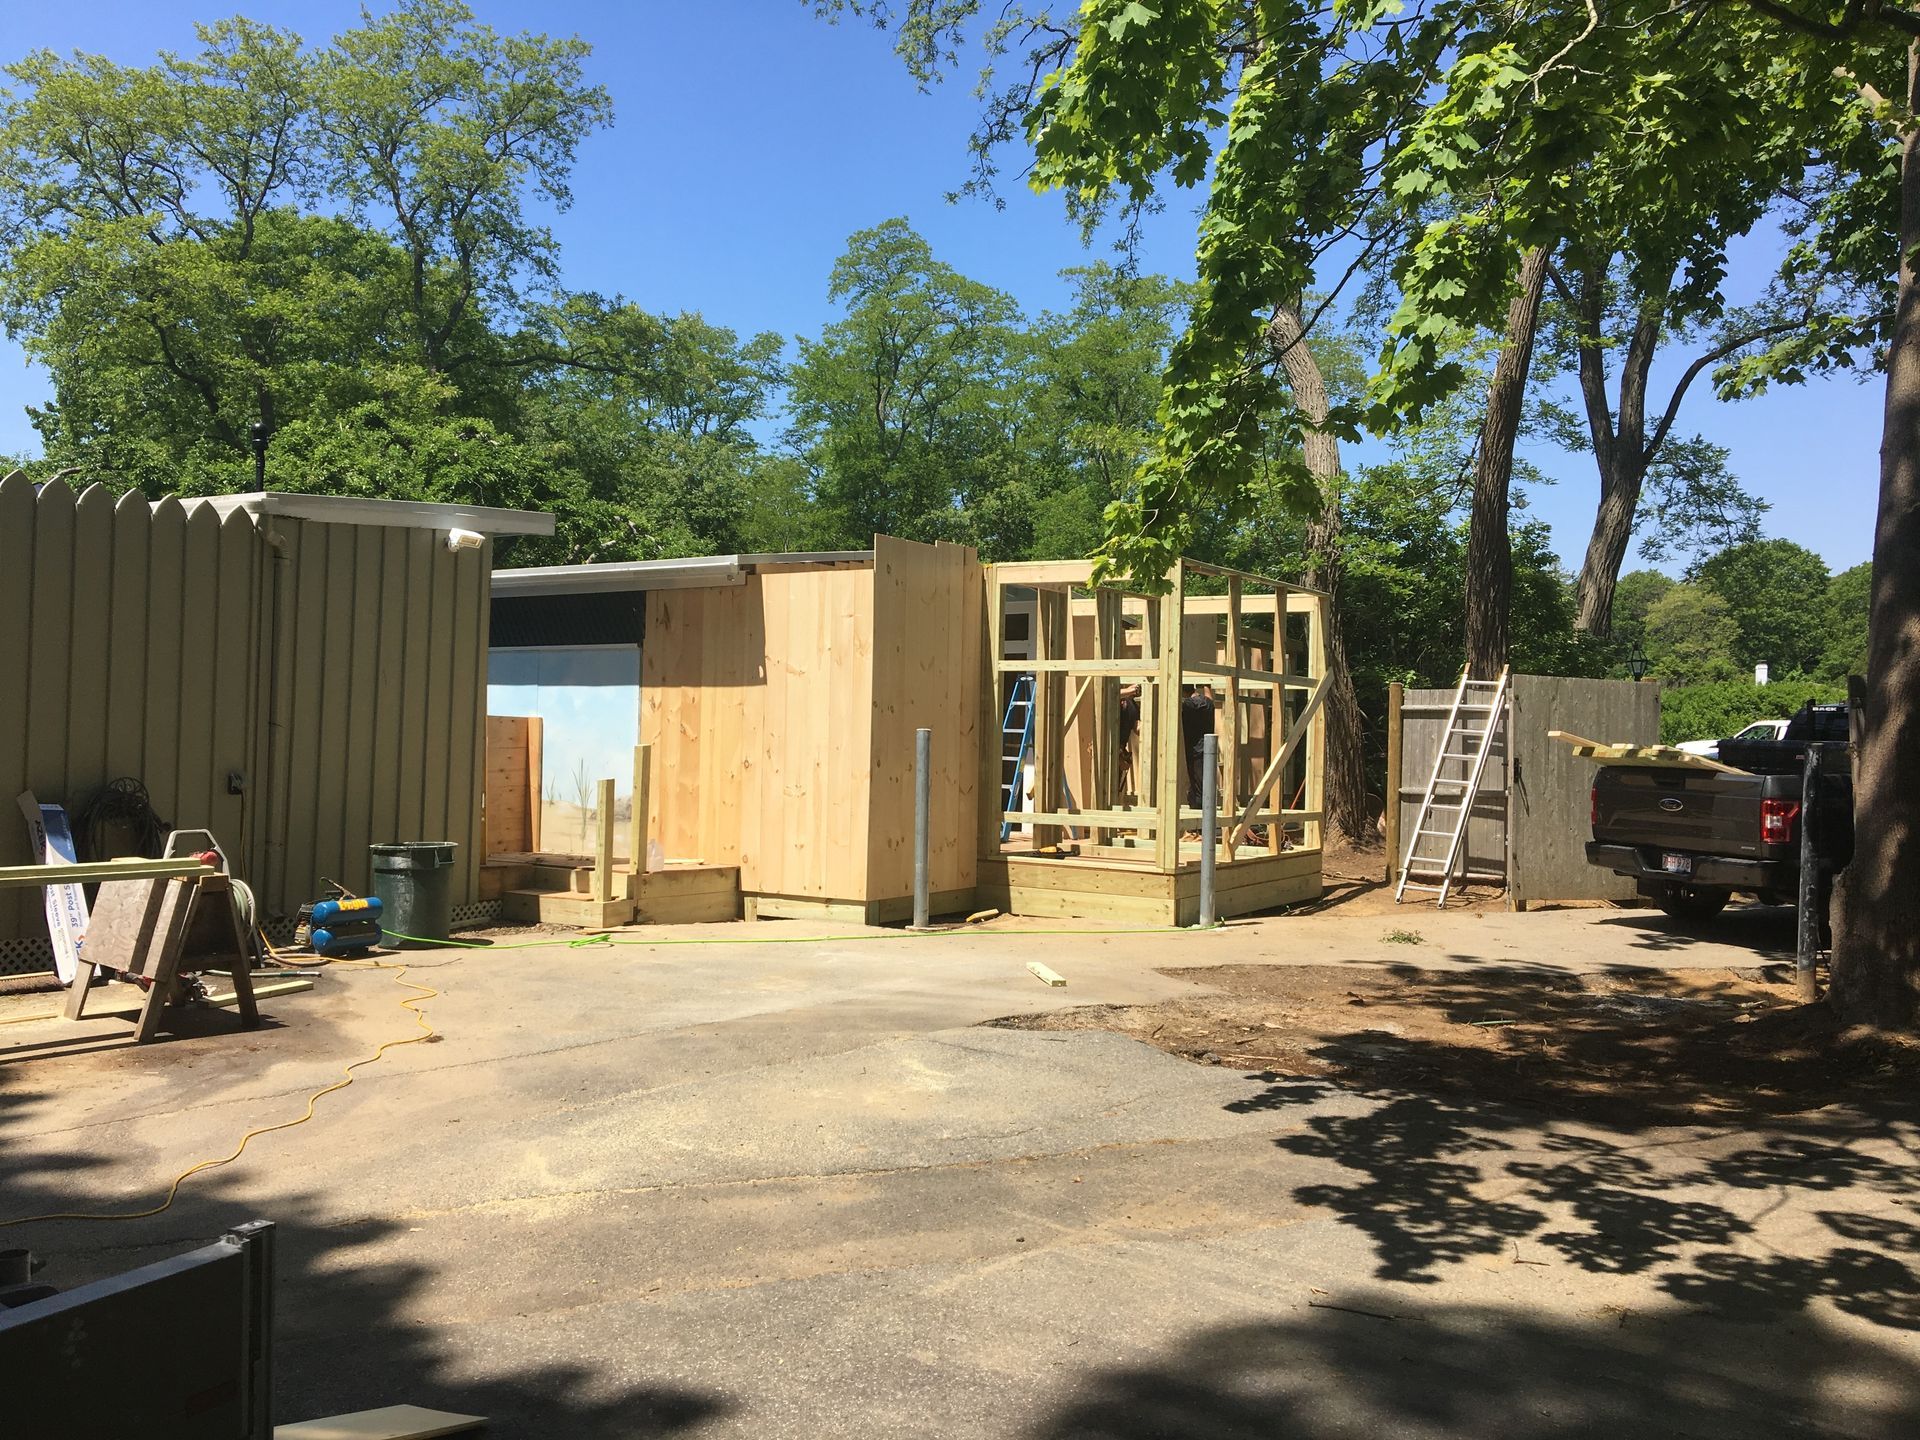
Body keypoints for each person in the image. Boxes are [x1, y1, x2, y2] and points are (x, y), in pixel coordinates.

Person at [1181, 684, 1215, 809]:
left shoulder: (1188, 705)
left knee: (1197, 783)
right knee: (1206, 780)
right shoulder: (1207, 703)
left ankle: (1200, 811)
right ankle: (1202, 807)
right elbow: (1210, 699)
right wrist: (1206, 686)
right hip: (1208, 748)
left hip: (1194, 750)